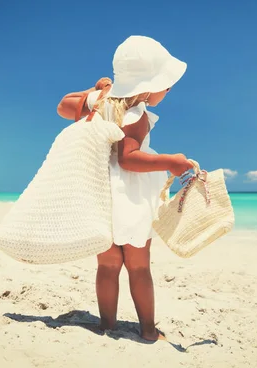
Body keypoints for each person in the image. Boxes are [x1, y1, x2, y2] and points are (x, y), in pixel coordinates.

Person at [57, 35, 194, 342]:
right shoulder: (137, 116)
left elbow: (63, 107)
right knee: (139, 267)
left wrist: (95, 92)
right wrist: (169, 161)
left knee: (107, 265)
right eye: (165, 83)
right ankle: (147, 330)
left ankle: (107, 326)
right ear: (146, 84)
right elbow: (128, 159)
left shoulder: (101, 103)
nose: (169, 88)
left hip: (99, 193)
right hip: (128, 199)